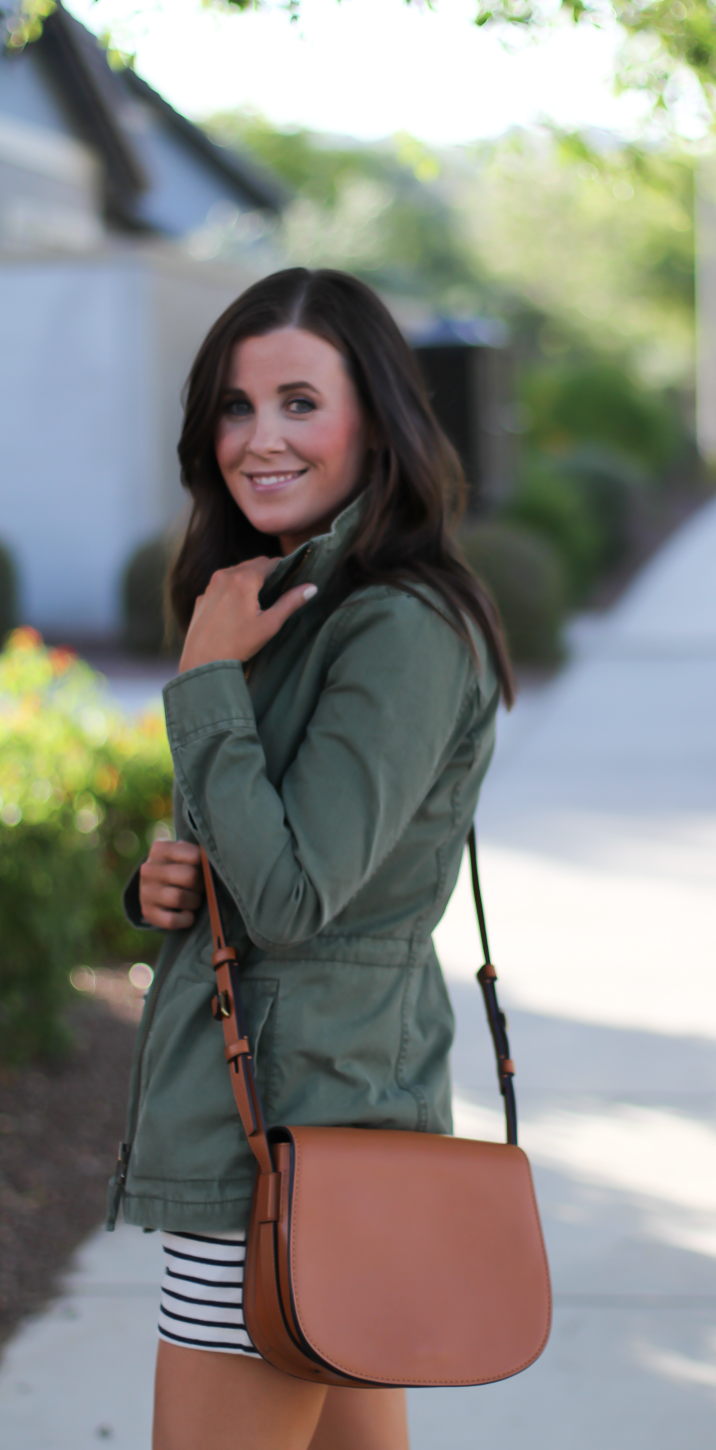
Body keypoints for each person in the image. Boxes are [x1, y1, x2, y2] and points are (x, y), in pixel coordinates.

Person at [106, 268, 514, 1450]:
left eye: (298, 401)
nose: (258, 438)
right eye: (235, 407)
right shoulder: (303, 604)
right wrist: (167, 881)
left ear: (375, 419)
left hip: (284, 1140)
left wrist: (203, 684)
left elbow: (290, 902)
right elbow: (274, 867)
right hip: (306, 1124)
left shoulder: (396, 624)